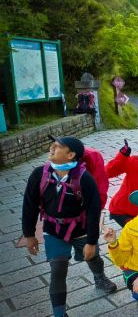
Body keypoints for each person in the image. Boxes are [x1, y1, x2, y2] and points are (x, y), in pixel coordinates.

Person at [22, 136, 116, 317]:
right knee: (57, 269)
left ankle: (99, 277)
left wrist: (91, 241)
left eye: (57, 147)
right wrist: (29, 234)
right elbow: (29, 205)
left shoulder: (84, 179)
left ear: (71, 155)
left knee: (93, 257)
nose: (51, 148)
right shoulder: (39, 174)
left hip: (80, 229)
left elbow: (93, 211)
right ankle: (59, 314)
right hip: (53, 230)